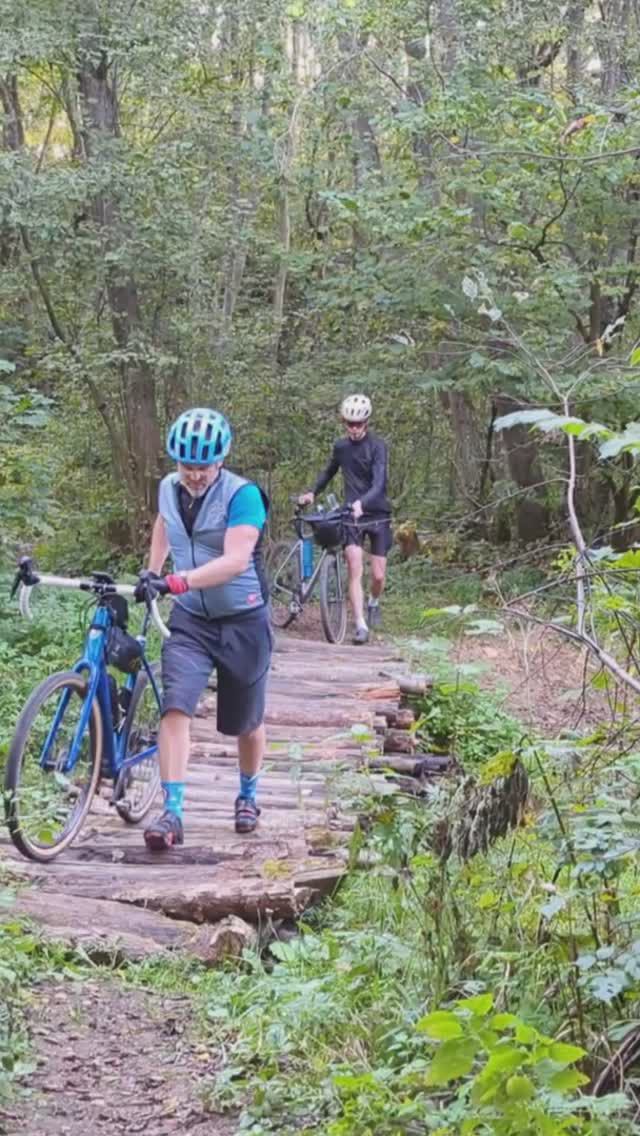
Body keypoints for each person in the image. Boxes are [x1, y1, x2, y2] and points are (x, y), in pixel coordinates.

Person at [134, 407, 272, 851]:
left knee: (245, 722)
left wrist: (180, 580)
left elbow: (235, 560)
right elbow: (163, 523)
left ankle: (248, 795)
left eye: (203, 466)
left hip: (242, 619)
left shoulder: (243, 496)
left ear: (221, 461)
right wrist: (151, 574)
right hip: (190, 619)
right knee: (175, 708)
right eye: (186, 465)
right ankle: (172, 812)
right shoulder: (168, 489)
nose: (193, 475)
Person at [299, 394, 392, 645]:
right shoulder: (341, 447)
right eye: (349, 423)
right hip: (351, 514)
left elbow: (380, 481)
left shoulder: (378, 446)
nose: (353, 429)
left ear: (367, 423)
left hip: (378, 513)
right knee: (354, 566)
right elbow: (329, 471)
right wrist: (312, 492)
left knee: (379, 575)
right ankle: (360, 624)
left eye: (358, 424)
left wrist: (365, 502)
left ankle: (374, 602)